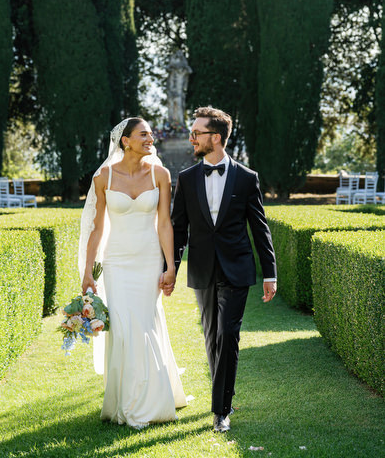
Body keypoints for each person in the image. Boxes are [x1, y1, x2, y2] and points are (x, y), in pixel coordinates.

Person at [170, 106, 277, 433]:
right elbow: (178, 229)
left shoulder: (247, 178)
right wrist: (171, 269)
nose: (192, 139)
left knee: (228, 334)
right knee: (212, 336)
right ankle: (222, 400)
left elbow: (259, 227)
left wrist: (269, 272)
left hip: (237, 267)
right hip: (203, 269)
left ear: (215, 138)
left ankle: (221, 410)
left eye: (197, 133)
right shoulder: (187, 179)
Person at [78, 117, 187, 429]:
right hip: (117, 262)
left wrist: (170, 267)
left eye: (151, 135)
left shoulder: (161, 174)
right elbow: (97, 228)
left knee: (146, 323)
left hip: (148, 259)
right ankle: (128, 403)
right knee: (124, 329)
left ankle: (153, 400)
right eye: (143, 135)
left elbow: (165, 223)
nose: (150, 139)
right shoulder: (104, 177)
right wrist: (88, 271)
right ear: (125, 140)